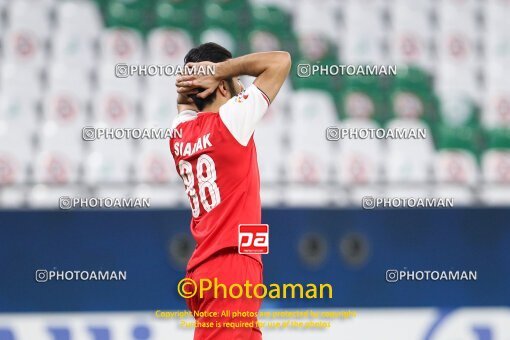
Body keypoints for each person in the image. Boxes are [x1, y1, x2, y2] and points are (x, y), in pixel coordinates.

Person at [169, 42, 291, 340]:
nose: (241, 86)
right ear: (222, 87)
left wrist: (198, 79)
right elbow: (280, 61)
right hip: (232, 265)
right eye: (236, 81)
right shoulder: (231, 121)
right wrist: (219, 70)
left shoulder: (179, 134)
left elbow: (184, 104)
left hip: (204, 268)